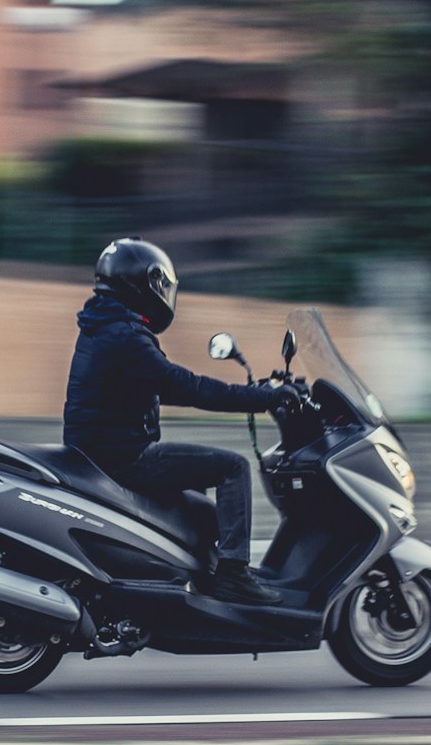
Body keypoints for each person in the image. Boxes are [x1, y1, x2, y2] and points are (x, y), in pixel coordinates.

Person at [64, 238, 290, 605]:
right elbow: (186, 388)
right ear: (142, 284)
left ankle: (190, 575)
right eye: (161, 286)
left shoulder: (102, 323)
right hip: (122, 458)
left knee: (201, 511)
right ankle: (233, 575)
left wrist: (252, 394)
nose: (164, 295)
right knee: (232, 468)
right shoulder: (126, 336)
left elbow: (154, 385)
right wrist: (263, 397)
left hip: (96, 451)